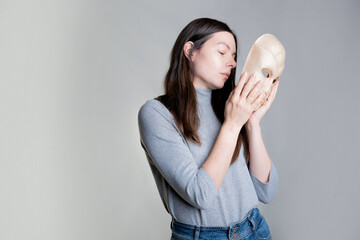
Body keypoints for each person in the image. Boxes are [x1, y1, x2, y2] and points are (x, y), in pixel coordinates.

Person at [138, 17, 279, 240]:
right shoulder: (157, 114)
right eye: (222, 52)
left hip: (255, 230)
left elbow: (266, 192)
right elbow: (200, 194)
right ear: (190, 51)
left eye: (233, 57)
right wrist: (232, 124)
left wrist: (252, 123)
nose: (232, 63)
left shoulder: (230, 107)